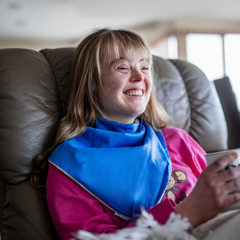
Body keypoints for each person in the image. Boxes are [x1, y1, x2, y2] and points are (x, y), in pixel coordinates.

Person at [32, 28, 240, 240]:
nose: (140, 76)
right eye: (122, 67)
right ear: (92, 82)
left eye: (145, 66)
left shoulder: (178, 140)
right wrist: (189, 212)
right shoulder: (68, 167)